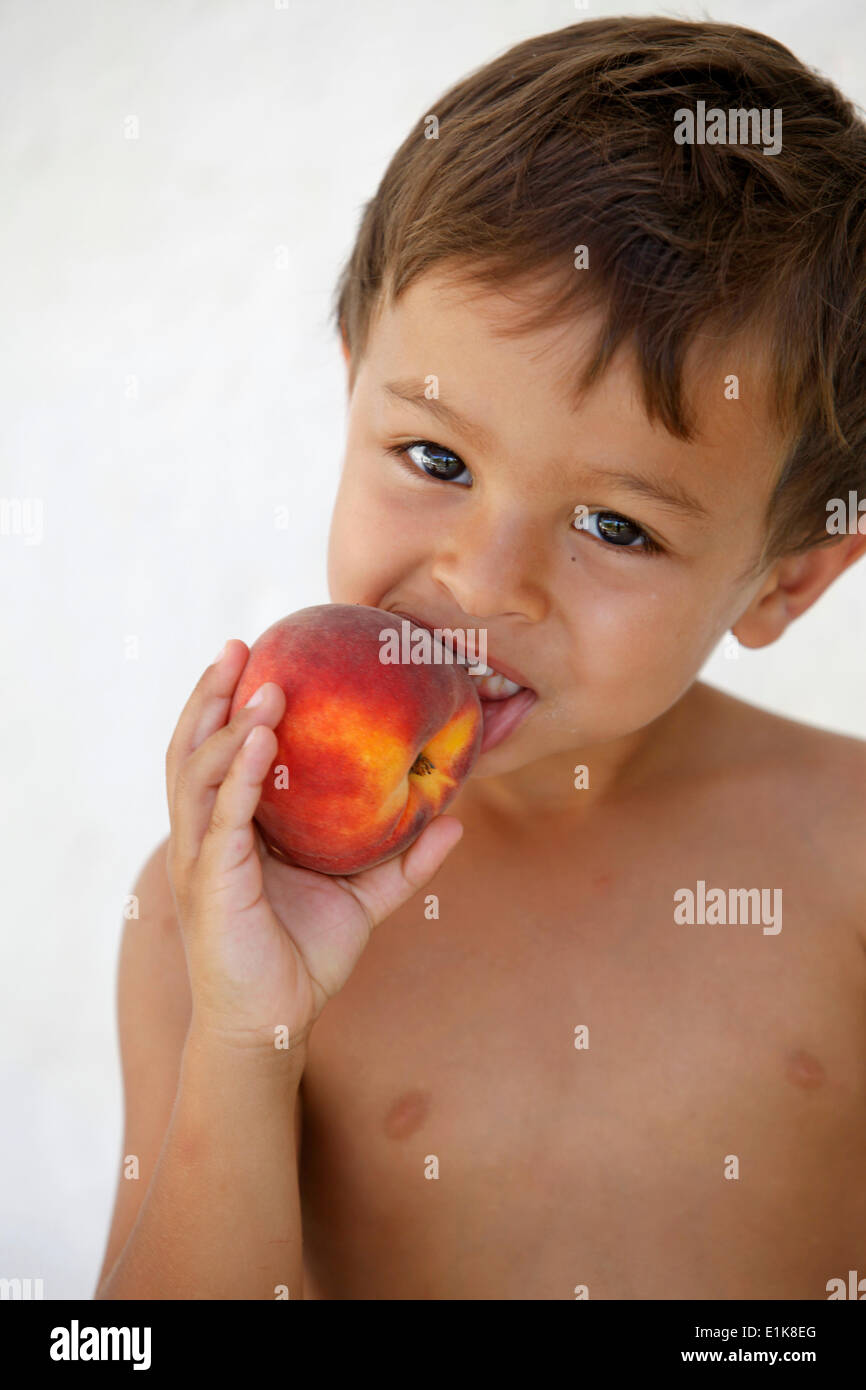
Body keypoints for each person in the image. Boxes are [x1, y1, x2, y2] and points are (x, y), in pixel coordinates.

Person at [96, 16, 866, 1299]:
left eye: (615, 525)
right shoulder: (209, 911)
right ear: (352, 387)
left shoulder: (846, 859)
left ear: (788, 577)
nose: (480, 580)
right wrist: (246, 1032)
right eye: (435, 459)